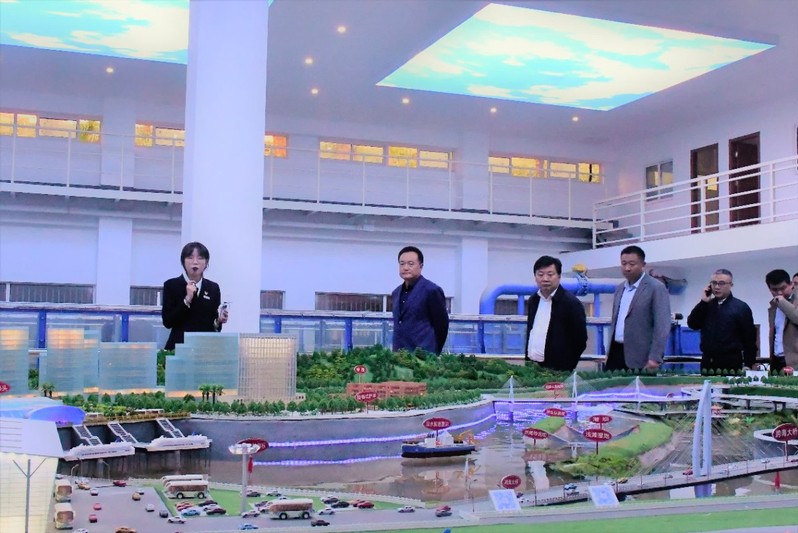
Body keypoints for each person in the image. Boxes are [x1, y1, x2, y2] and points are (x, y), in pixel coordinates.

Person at [606, 245, 671, 371]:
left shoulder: (656, 288)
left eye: (632, 264)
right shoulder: (619, 289)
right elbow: (615, 322)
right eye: (624, 264)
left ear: (643, 265)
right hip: (616, 353)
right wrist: (609, 352)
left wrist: (655, 357)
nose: (627, 268)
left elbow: (662, 325)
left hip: (642, 358)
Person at [686, 269, 757, 373]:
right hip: (707, 361)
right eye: (714, 283)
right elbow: (692, 324)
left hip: (731, 362)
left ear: (731, 285)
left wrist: (748, 364)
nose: (717, 287)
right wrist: (703, 302)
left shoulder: (741, 307)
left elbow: (749, 339)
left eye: (721, 283)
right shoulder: (706, 305)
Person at [524, 255, 587, 372]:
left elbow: (580, 339)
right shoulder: (533, 300)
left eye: (550, 274)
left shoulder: (571, 303)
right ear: (535, 277)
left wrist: (566, 366)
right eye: (540, 274)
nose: (545, 279)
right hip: (532, 366)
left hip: (558, 370)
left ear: (559, 276)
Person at [161, 241, 228, 350]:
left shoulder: (213, 288)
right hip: (178, 348)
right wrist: (187, 299)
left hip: (204, 349)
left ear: (206, 263)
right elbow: (168, 322)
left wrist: (219, 321)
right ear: (183, 261)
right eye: (190, 257)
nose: (195, 262)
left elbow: (213, 327)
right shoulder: (171, 285)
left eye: (200, 258)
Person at [391, 246, 449, 354]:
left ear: (421, 266)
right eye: (402, 264)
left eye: (410, 264)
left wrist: (434, 352)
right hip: (399, 355)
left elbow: (442, 326)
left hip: (423, 355)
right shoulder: (396, 293)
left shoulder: (432, 290)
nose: (405, 268)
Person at [765, 269, 798, 373]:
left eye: (783, 288)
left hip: (794, 361)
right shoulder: (774, 306)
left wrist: (783, 302)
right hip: (777, 359)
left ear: (791, 284)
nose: (779, 293)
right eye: (774, 289)